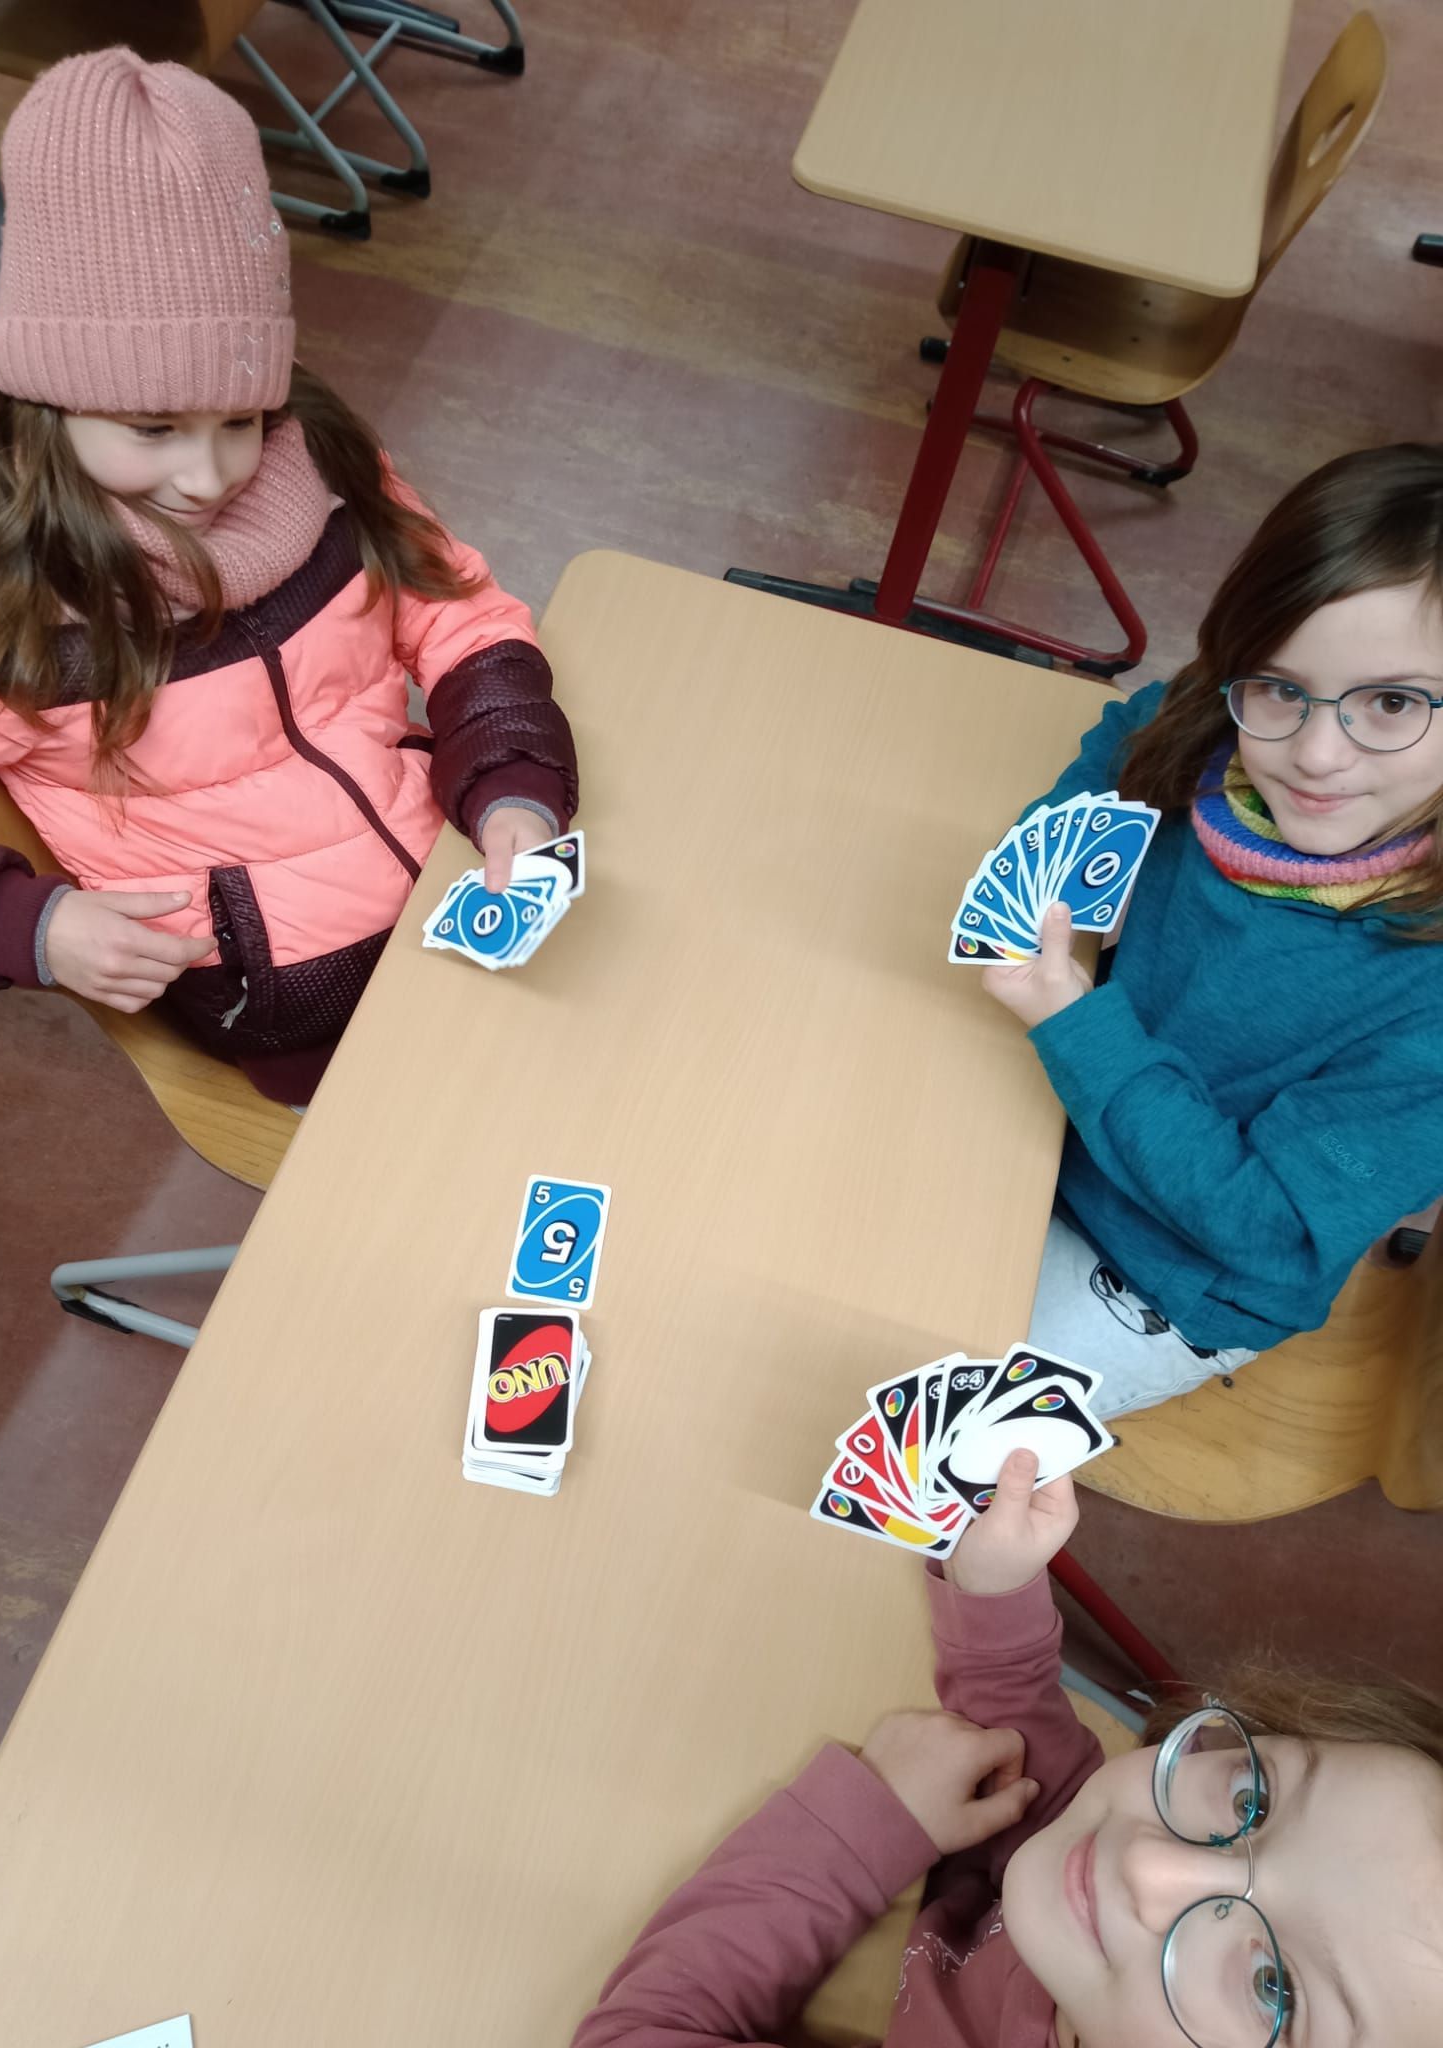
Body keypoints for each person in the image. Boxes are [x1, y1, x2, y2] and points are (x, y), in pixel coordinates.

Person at [0, 48, 576, 1107]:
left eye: (241, 419)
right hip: (291, 1008)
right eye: (153, 428)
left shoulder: (318, 460)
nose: (211, 474)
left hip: (452, 886)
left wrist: (514, 788)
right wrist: (29, 926)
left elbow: (458, 614)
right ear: (46, 397)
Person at [570, 1449, 1443, 2048]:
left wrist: (862, 1833)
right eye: (1254, 1802)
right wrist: (998, 1596)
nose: (1149, 1867)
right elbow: (1034, 1782)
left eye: (1270, 1989)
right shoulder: (1100, 1892)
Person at [978, 446, 1443, 1414]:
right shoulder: (1214, 726)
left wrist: (1080, 1028)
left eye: (1393, 702)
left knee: (895, 1419)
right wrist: (1056, 868)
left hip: (1159, 1273)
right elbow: (1131, 738)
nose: (1316, 754)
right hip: (1045, 1120)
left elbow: (1271, 1232)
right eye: (1279, 686)